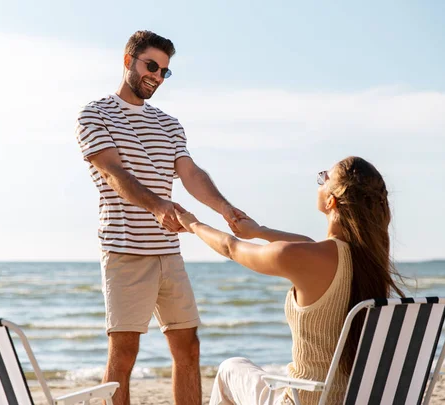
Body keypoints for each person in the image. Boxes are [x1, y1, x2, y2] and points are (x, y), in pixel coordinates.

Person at [75, 30, 245, 405]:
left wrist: (225, 207)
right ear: (128, 61)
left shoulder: (169, 124)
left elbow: (191, 174)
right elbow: (114, 174)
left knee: (189, 348)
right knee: (124, 353)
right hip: (125, 251)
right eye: (151, 65)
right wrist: (158, 207)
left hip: (169, 252)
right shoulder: (94, 114)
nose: (156, 76)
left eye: (164, 71)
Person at [175, 156, 405, 405]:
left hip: (305, 399)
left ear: (331, 201)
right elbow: (306, 244)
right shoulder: (371, 262)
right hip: (354, 399)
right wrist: (259, 231)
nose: (319, 181)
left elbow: (232, 248)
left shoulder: (304, 257)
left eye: (323, 178)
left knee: (231, 368)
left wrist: (193, 225)